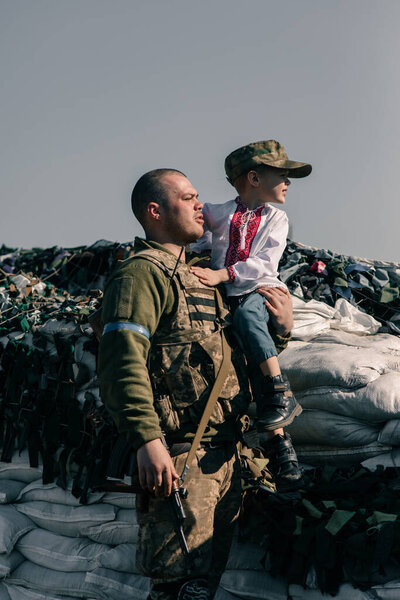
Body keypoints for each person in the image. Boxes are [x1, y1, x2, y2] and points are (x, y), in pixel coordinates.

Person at [98, 168, 294, 600]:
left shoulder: (204, 276)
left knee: (205, 587)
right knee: (178, 589)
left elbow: (228, 352)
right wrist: (146, 440)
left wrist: (280, 330)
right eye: (187, 198)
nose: (200, 205)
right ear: (155, 211)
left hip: (226, 457)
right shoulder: (141, 274)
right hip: (181, 456)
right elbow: (120, 361)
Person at [190, 140, 312, 490]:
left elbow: (264, 265)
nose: (288, 182)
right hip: (229, 297)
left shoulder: (277, 219)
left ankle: (279, 389)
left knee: (247, 320)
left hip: (259, 290)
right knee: (243, 352)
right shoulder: (220, 213)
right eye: (282, 175)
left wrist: (222, 275)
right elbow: (197, 231)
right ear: (254, 178)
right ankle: (278, 442)